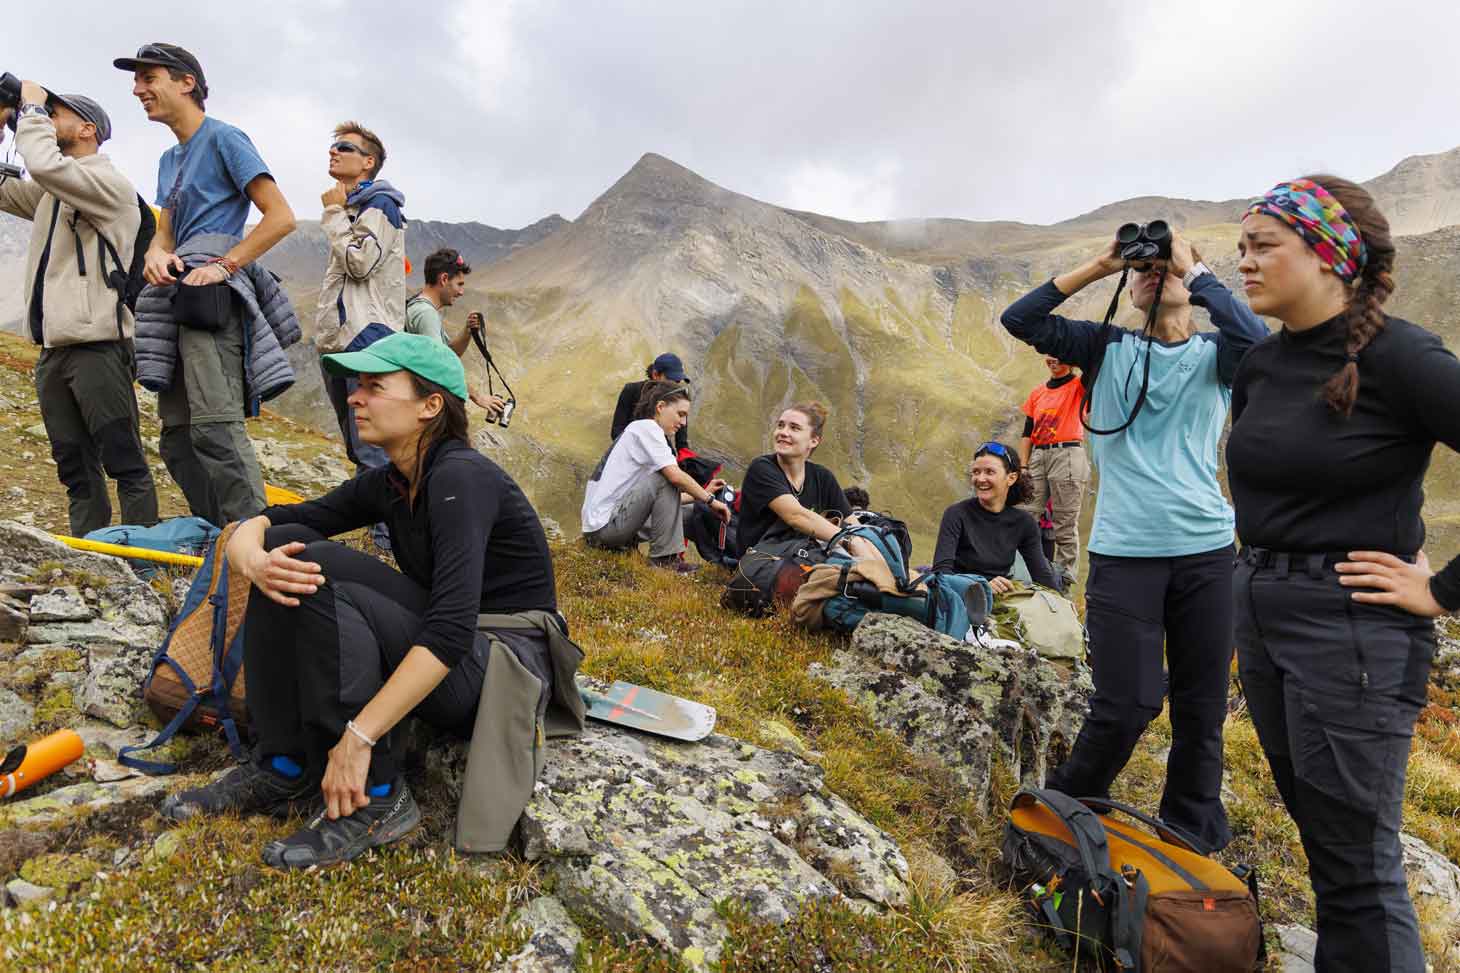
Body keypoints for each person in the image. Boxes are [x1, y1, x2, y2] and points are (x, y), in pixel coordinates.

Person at [159, 332, 576, 869]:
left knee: (321, 576)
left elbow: (449, 632)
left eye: (375, 387)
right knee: (292, 549)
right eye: (357, 385)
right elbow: (282, 520)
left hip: (501, 668)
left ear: (430, 406)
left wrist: (358, 737)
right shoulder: (395, 481)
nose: (354, 397)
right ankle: (284, 766)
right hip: (463, 647)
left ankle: (377, 797)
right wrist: (248, 552)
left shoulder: (461, 478)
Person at [1229, 176, 1460, 971]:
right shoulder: (1260, 365)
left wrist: (1441, 590)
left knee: (1359, 866)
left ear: (1330, 256)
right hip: (1262, 614)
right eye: (1241, 247)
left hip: (1351, 629)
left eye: (1264, 246)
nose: (1244, 262)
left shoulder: (1404, 357)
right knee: (1329, 848)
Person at [1000, 225, 1267, 851]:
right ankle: (1059, 815)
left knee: (1201, 710)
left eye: (1163, 266)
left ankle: (1189, 838)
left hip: (1207, 553)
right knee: (1127, 704)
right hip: (1124, 555)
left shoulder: (1217, 355)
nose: (1152, 274)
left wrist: (1195, 272)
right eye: (1143, 270)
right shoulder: (1103, 347)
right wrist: (1103, 264)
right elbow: (1020, 318)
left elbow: (1260, 344)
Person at [115, 43, 297, 526]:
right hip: (176, 294)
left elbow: (280, 216)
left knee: (215, 427)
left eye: (148, 78)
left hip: (211, 298)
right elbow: (166, 232)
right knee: (177, 439)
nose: (137, 90)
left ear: (186, 82)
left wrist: (225, 266)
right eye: (136, 81)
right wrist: (156, 253)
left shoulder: (225, 138)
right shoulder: (167, 159)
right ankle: (221, 536)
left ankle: (255, 541)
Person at [0, 82, 158, 536]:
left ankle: (140, 557)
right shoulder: (53, 192)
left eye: (56, 113)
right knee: (74, 468)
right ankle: (89, 551)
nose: (46, 118)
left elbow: (44, 165)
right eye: (45, 112)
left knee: (123, 460)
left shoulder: (108, 185)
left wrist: (31, 106)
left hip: (98, 346)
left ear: (88, 129)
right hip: (53, 350)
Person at [314, 120, 406, 475]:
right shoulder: (355, 207)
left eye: (344, 147)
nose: (333, 151)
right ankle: (376, 512)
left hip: (366, 339)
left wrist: (333, 213)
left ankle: (387, 515)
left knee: (371, 451)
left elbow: (360, 263)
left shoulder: (380, 204)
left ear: (368, 161)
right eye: (333, 146)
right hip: (341, 342)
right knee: (358, 448)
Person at [582, 381, 730, 573]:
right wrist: (710, 500)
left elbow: (665, 500)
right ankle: (664, 561)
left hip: (606, 526)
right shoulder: (646, 428)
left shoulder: (643, 432)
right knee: (667, 478)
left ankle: (722, 562)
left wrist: (702, 495)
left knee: (692, 511)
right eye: (680, 414)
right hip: (603, 529)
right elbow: (674, 478)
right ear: (660, 407)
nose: (683, 423)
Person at [933, 442, 1058, 591]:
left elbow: (1042, 575)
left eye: (989, 472)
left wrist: (1062, 602)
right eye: (976, 472)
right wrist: (982, 586)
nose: (980, 479)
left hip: (1000, 594)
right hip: (959, 595)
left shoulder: (1024, 523)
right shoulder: (956, 514)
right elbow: (941, 573)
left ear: (1011, 478)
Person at [737, 402, 853, 551]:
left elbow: (853, 524)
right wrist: (848, 541)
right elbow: (796, 517)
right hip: (762, 560)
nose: (783, 432)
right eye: (780, 425)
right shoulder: (761, 468)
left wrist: (863, 541)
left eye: (794, 428)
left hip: (804, 556)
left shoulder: (822, 477)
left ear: (814, 441)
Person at [405, 248, 504, 418]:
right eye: (459, 284)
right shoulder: (426, 314)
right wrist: (478, 397)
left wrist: (467, 331)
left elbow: (448, 354)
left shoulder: (422, 308)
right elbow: (440, 366)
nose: (461, 292)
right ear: (444, 279)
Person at [1016, 355, 1088, 584]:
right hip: (1038, 455)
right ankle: (1020, 571)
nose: (1053, 359)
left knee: (1064, 521)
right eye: (1050, 355)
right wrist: (1024, 466)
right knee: (1025, 514)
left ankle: (1063, 579)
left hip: (1067, 453)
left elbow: (1093, 367)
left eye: (1060, 355)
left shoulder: (1079, 386)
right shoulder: (1037, 393)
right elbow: (1027, 433)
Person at [611, 353, 691, 451]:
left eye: (678, 382)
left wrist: (683, 450)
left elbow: (681, 437)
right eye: (671, 380)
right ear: (655, 375)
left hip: (658, 441)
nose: (675, 385)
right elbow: (616, 431)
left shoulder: (676, 395)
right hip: (631, 443)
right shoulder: (631, 390)